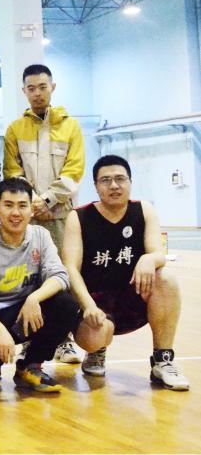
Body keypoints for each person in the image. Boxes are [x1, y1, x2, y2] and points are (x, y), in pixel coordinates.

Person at [63, 155, 188, 390]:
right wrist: (88, 305)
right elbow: (70, 268)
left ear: (130, 182)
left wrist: (148, 258)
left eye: (120, 179)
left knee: (166, 279)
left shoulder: (144, 210)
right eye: (105, 180)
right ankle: (96, 352)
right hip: (96, 304)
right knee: (96, 335)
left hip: (133, 300)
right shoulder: (78, 217)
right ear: (96, 186)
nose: (114, 185)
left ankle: (163, 360)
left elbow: (158, 253)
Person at [3, 63, 85, 364]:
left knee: (62, 276)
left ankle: (64, 341)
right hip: (25, 218)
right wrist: (32, 203)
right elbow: (12, 170)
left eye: (42, 87)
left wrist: (48, 200)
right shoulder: (15, 129)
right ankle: (29, 339)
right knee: (27, 280)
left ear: (53, 87)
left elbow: (74, 170)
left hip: (60, 217)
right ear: (23, 91)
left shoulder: (71, 127)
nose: (37, 93)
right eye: (31, 88)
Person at [0, 178, 81, 393]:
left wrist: (34, 298)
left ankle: (30, 366)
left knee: (67, 304)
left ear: (31, 209)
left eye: (22, 205)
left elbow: (60, 275)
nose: (15, 213)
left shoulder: (40, 235)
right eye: (8, 205)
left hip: (27, 312)